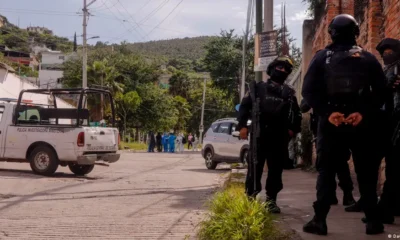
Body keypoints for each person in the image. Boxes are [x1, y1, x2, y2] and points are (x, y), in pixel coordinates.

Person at [301, 14, 387, 235]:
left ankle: (319, 220)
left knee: (326, 172)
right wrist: (362, 113)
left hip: (331, 125)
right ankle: (373, 222)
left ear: (332, 33)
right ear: (356, 32)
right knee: (366, 172)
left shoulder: (321, 58)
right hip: (362, 125)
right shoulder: (368, 58)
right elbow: (381, 93)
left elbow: (308, 91)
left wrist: (328, 113)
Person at [237, 56, 302, 213]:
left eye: (285, 69)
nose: (282, 71)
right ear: (272, 69)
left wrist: (292, 130)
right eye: (279, 67)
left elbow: (297, 115)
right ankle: (251, 198)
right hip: (259, 135)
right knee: (255, 168)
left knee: (275, 170)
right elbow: (244, 108)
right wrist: (242, 127)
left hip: (279, 137)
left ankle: (271, 201)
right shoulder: (257, 88)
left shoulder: (289, 93)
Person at [300, 99, 356, 206]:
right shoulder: (318, 91)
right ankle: (330, 195)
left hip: (340, 130)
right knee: (325, 165)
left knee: (341, 164)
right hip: (323, 131)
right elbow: (304, 106)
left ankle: (347, 194)